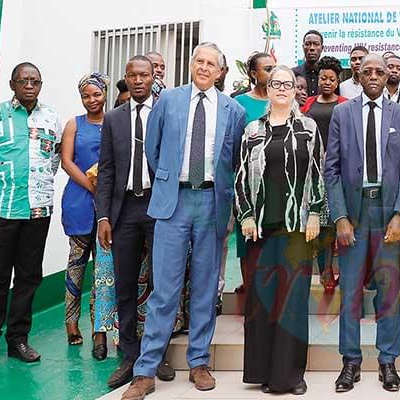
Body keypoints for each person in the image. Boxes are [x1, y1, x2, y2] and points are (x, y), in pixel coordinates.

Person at [120, 42, 246, 400]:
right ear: (191, 65)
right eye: (199, 61)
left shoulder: (234, 111)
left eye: (211, 64)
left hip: (211, 202)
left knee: (206, 287)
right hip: (173, 201)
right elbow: (153, 150)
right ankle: (145, 372)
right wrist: (170, 178)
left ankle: (199, 362)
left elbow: (233, 160)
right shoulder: (169, 101)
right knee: (165, 289)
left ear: (221, 72)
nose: (204, 68)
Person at [325, 54, 400, 393]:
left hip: (387, 213)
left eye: (380, 71)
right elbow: (331, 169)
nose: (375, 76)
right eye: (368, 72)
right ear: (358, 76)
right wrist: (340, 217)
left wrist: (399, 215)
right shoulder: (341, 113)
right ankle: (350, 362)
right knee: (350, 291)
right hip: (354, 212)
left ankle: (387, 360)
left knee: (389, 291)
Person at [236, 65, 324, 395]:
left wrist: (316, 213)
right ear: (268, 89)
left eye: (289, 84)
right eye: (277, 84)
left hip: (297, 229)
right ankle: (261, 371)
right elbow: (241, 177)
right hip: (259, 229)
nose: (283, 89)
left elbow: (318, 174)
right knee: (261, 301)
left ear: (295, 90)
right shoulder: (252, 130)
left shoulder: (308, 127)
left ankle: (289, 376)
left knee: (292, 302)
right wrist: (245, 215)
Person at [0, 62, 61, 370]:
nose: (29, 85)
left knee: (28, 278)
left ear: (41, 85)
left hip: (38, 211)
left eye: (35, 81)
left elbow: (53, 160)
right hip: (2, 209)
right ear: (12, 84)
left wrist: (38, 188)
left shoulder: (51, 117)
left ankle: (18, 340)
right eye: (23, 81)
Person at [96, 55, 174, 389]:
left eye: (144, 74)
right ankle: (129, 354)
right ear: (125, 79)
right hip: (124, 209)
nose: (139, 80)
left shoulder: (168, 112)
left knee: (162, 284)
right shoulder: (113, 119)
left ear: (153, 78)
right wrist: (103, 216)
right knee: (125, 285)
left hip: (160, 208)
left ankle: (159, 353)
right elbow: (107, 169)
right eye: (132, 75)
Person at [62, 73, 108, 358]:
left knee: (103, 271)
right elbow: (66, 162)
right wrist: (90, 184)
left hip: (107, 208)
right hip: (79, 201)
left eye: (96, 94)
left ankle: (99, 329)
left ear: (104, 93)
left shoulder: (115, 122)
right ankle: (71, 323)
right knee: (76, 267)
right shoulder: (73, 124)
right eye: (86, 96)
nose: (92, 100)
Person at [301, 56, 347, 292]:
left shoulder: (345, 103)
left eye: (332, 79)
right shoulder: (308, 104)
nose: (327, 82)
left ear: (338, 81)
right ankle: (316, 269)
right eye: (323, 78)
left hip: (335, 169)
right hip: (310, 169)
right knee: (313, 219)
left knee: (330, 221)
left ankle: (328, 269)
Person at [233, 52, 275, 286]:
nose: (272, 73)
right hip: (248, 185)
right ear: (253, 73)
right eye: (267, 69)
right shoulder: (239, 104)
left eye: (274, 68)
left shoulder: (281, 99)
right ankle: (250, 290)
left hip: (277, 185)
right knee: (248, 243)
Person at [292, 30, 324, 96]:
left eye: (316, 44)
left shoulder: (327, 75)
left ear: (322, 48)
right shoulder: (293, 74)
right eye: (308, 44)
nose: (312, 48)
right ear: (303, 47)